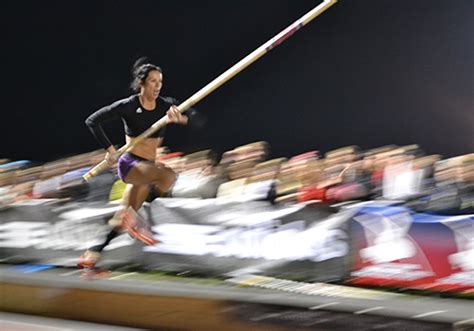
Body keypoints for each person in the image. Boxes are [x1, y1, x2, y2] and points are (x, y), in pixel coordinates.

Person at [78, 58, 204, 270]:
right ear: (142, 83)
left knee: (119, 221)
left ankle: (91, 257)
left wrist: (180, 118)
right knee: (168, 175)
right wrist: (110, 151)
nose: (157, 86)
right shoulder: (129, 105)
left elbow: (198, 119)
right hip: (131, 165)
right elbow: (92, 120)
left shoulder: (166, 104)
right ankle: (134, 219)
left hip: (147, 170)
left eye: (160, 81)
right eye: (153, 81)